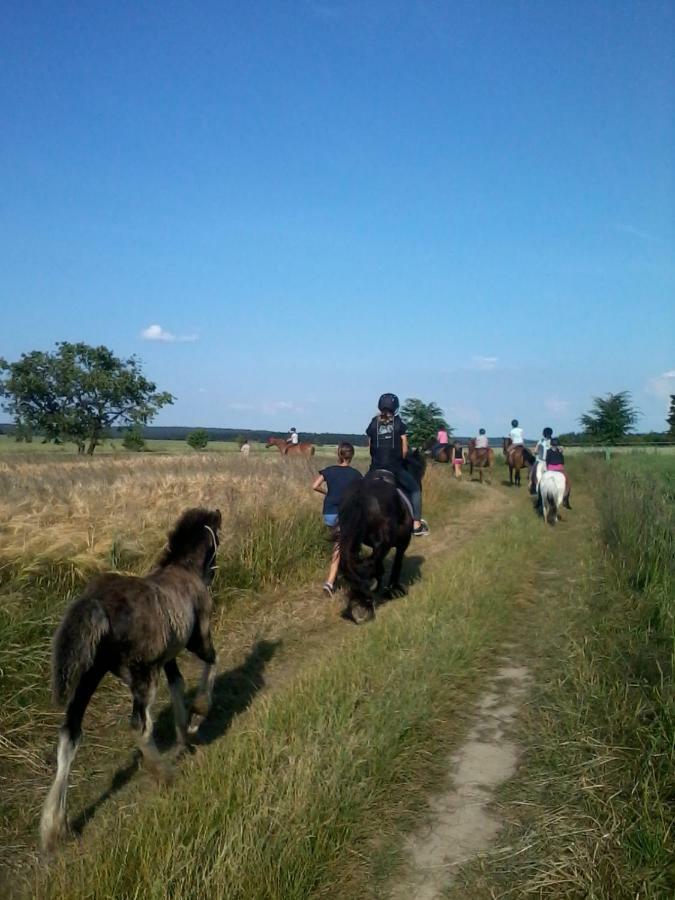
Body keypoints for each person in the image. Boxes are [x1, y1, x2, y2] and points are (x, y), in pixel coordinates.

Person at [365, 392, 428, 536]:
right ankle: (416, 524)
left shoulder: (373, 423)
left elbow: (370, 447)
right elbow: (405, 450)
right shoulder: (399, 424)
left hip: (375, 468)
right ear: (396, 408)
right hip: (395, 468)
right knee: (415, 489)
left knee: (360, 488)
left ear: (380, 407)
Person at [312, 442, 363, 596]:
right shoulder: (356, 474)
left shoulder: (329, 470)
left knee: (339, 544)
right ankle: (330, 582)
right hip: (346, 515)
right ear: (351, 456)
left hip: (329, 513)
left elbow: (314, 485)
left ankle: (341, 573)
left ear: (338, 455)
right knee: (340, 547)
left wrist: (326, 492)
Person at [545, 438, 572, 509]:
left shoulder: (548, 451)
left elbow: (547, 461)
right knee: (568, 483)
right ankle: (566, 500)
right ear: (557, 445)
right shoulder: (559, 451)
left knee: (542, 482)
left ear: (551, 444)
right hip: (560, 469)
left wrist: (547, 469)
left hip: (550, 468)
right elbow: (562, 462)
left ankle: (540, 498)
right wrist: (561, 454)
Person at [529, 427, 552, 493]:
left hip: (540, 461)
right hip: (550, 462)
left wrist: (534, 452)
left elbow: (536, 451)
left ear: (544, 434)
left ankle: (531, 484)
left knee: (533, 471)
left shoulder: (541, 441)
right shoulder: (553, 441)